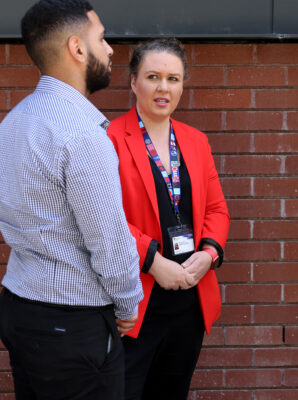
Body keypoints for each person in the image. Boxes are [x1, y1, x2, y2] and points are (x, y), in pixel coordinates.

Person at [0, 1, 143, 399]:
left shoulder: (11, 124)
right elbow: (109, 243)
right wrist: (127, 306)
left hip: (20, 310)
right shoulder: (82, 135)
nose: (110, 49)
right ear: (77, 48)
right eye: (102, 38)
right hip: (71, 324)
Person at [107, 38, 230, 400]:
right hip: (135, 302)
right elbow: (105, 217)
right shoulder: (109, 139)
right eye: (153, 76)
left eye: (173, 79)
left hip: (189, 300)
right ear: (133, 82)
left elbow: (217, 209)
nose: (164, 88)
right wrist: (153, 261)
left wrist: (208, 254)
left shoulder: (195, 141)